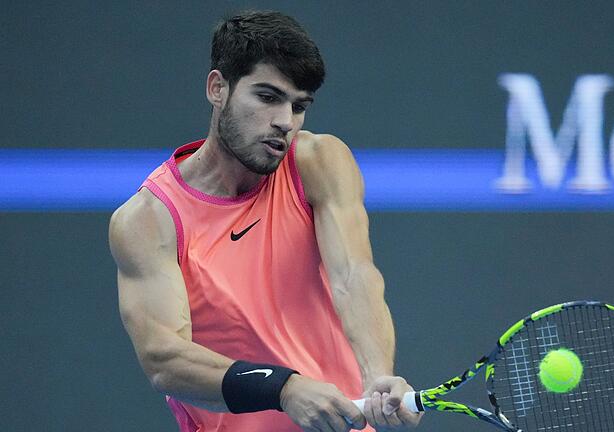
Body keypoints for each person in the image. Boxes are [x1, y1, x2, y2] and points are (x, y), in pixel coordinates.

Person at [109, 10, 421, 432]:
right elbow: (164, 359)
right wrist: (283, 388)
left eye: (299, 106)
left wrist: (378, 376)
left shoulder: (318, 161)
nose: (285, 121)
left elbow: (353, 276)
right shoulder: (149, 220)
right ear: (217, 88)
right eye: (267, 96)